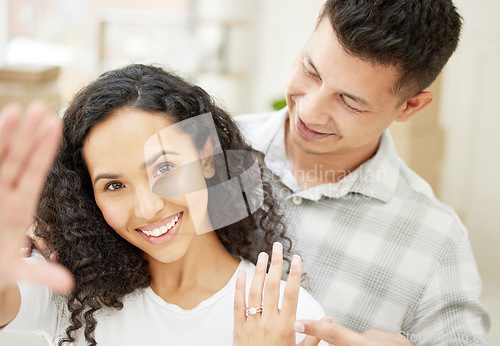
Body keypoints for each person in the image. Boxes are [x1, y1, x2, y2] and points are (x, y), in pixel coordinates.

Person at [0, 64, 327, 346]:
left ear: (207, 156)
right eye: (114, 185)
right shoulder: (70, 289)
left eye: (164, 168)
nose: (147, 208)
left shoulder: (285, 314)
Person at [236, 0, 491, 345]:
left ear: (410, 106)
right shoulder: (210, 149)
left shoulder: (438, 241)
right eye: (311, 71)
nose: (310, 111)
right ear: (315, 26)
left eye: (350, 102)